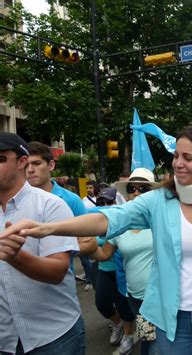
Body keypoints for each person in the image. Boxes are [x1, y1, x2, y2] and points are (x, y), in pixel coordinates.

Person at [2, 125, 192, 355]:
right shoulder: (158, 201)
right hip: (172, 321)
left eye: (188, 157)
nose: (177, 163)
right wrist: (48, 228)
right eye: (175, 156)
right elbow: (107, 219)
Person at [0, 132, 85, 354]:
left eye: (0, 159)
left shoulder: (51, 206)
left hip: (53, 336)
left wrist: (16, 256)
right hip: (5, 339)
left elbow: (57, 271)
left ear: (21, 162)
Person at [83, 168, 160, 355]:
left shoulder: (161, 219)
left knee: (160, 344)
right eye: (132, 188)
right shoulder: (120, 224)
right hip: (135, 296)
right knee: (148, 340)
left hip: (160, 296)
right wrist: (90, 248)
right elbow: (104, 255)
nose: (136, 193)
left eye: (143, 189)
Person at [26, 141, 94, 291]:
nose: (30, 170)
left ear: (51, 165)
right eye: (26, 164)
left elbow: (90, 242)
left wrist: (59, 249)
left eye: (37, 163)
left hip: (60, 287)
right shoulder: (13, 200)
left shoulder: (71, 200)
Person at [93, 187, 135, 353]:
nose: (104, 205)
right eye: (101, 203)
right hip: (103, 268)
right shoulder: (95, 221)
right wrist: (87, 246)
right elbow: (101, 252)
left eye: (108, 202)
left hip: (122, 270)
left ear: (116, 202)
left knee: (124, 305)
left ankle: (127, 335)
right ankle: (118, 325)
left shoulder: (124, 220)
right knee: (102, 303)